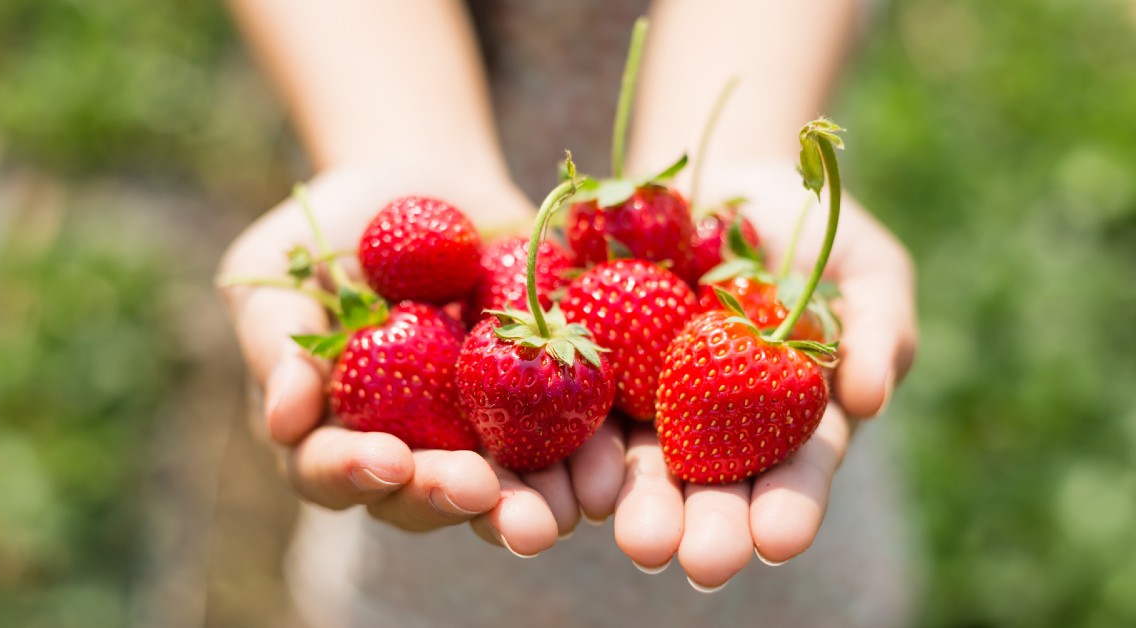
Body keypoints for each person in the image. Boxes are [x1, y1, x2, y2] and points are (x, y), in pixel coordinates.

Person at [218, 1, 919, 626]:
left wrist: (742, 148)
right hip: (437, 562)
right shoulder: (508, 318)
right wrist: (398, 148)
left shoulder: (746, 335)